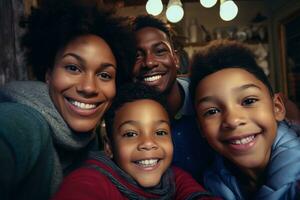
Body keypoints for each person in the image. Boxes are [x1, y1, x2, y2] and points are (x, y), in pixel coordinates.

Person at [0, 1, 136, 199]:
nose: (88, 87)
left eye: (105, 75)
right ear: (48, 74)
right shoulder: (26, 122)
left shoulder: (95, 142)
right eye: (73, 68)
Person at [53, 83, 220, 200]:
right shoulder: (89, 180)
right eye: (131, 134)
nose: (148, 143)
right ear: (109, 146)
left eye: (160, 132)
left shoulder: (172, 177)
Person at [189, 39, 300, 199]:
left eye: (248, 101)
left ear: (277, 107)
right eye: (212, 111)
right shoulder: (207, 186)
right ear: (201, 128)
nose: (233, 120)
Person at [131, 14, 213, 182]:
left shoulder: (207, 93)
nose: (149, 62)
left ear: (175, 60)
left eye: (160, 51)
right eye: (137, 56)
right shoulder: (125, 114)